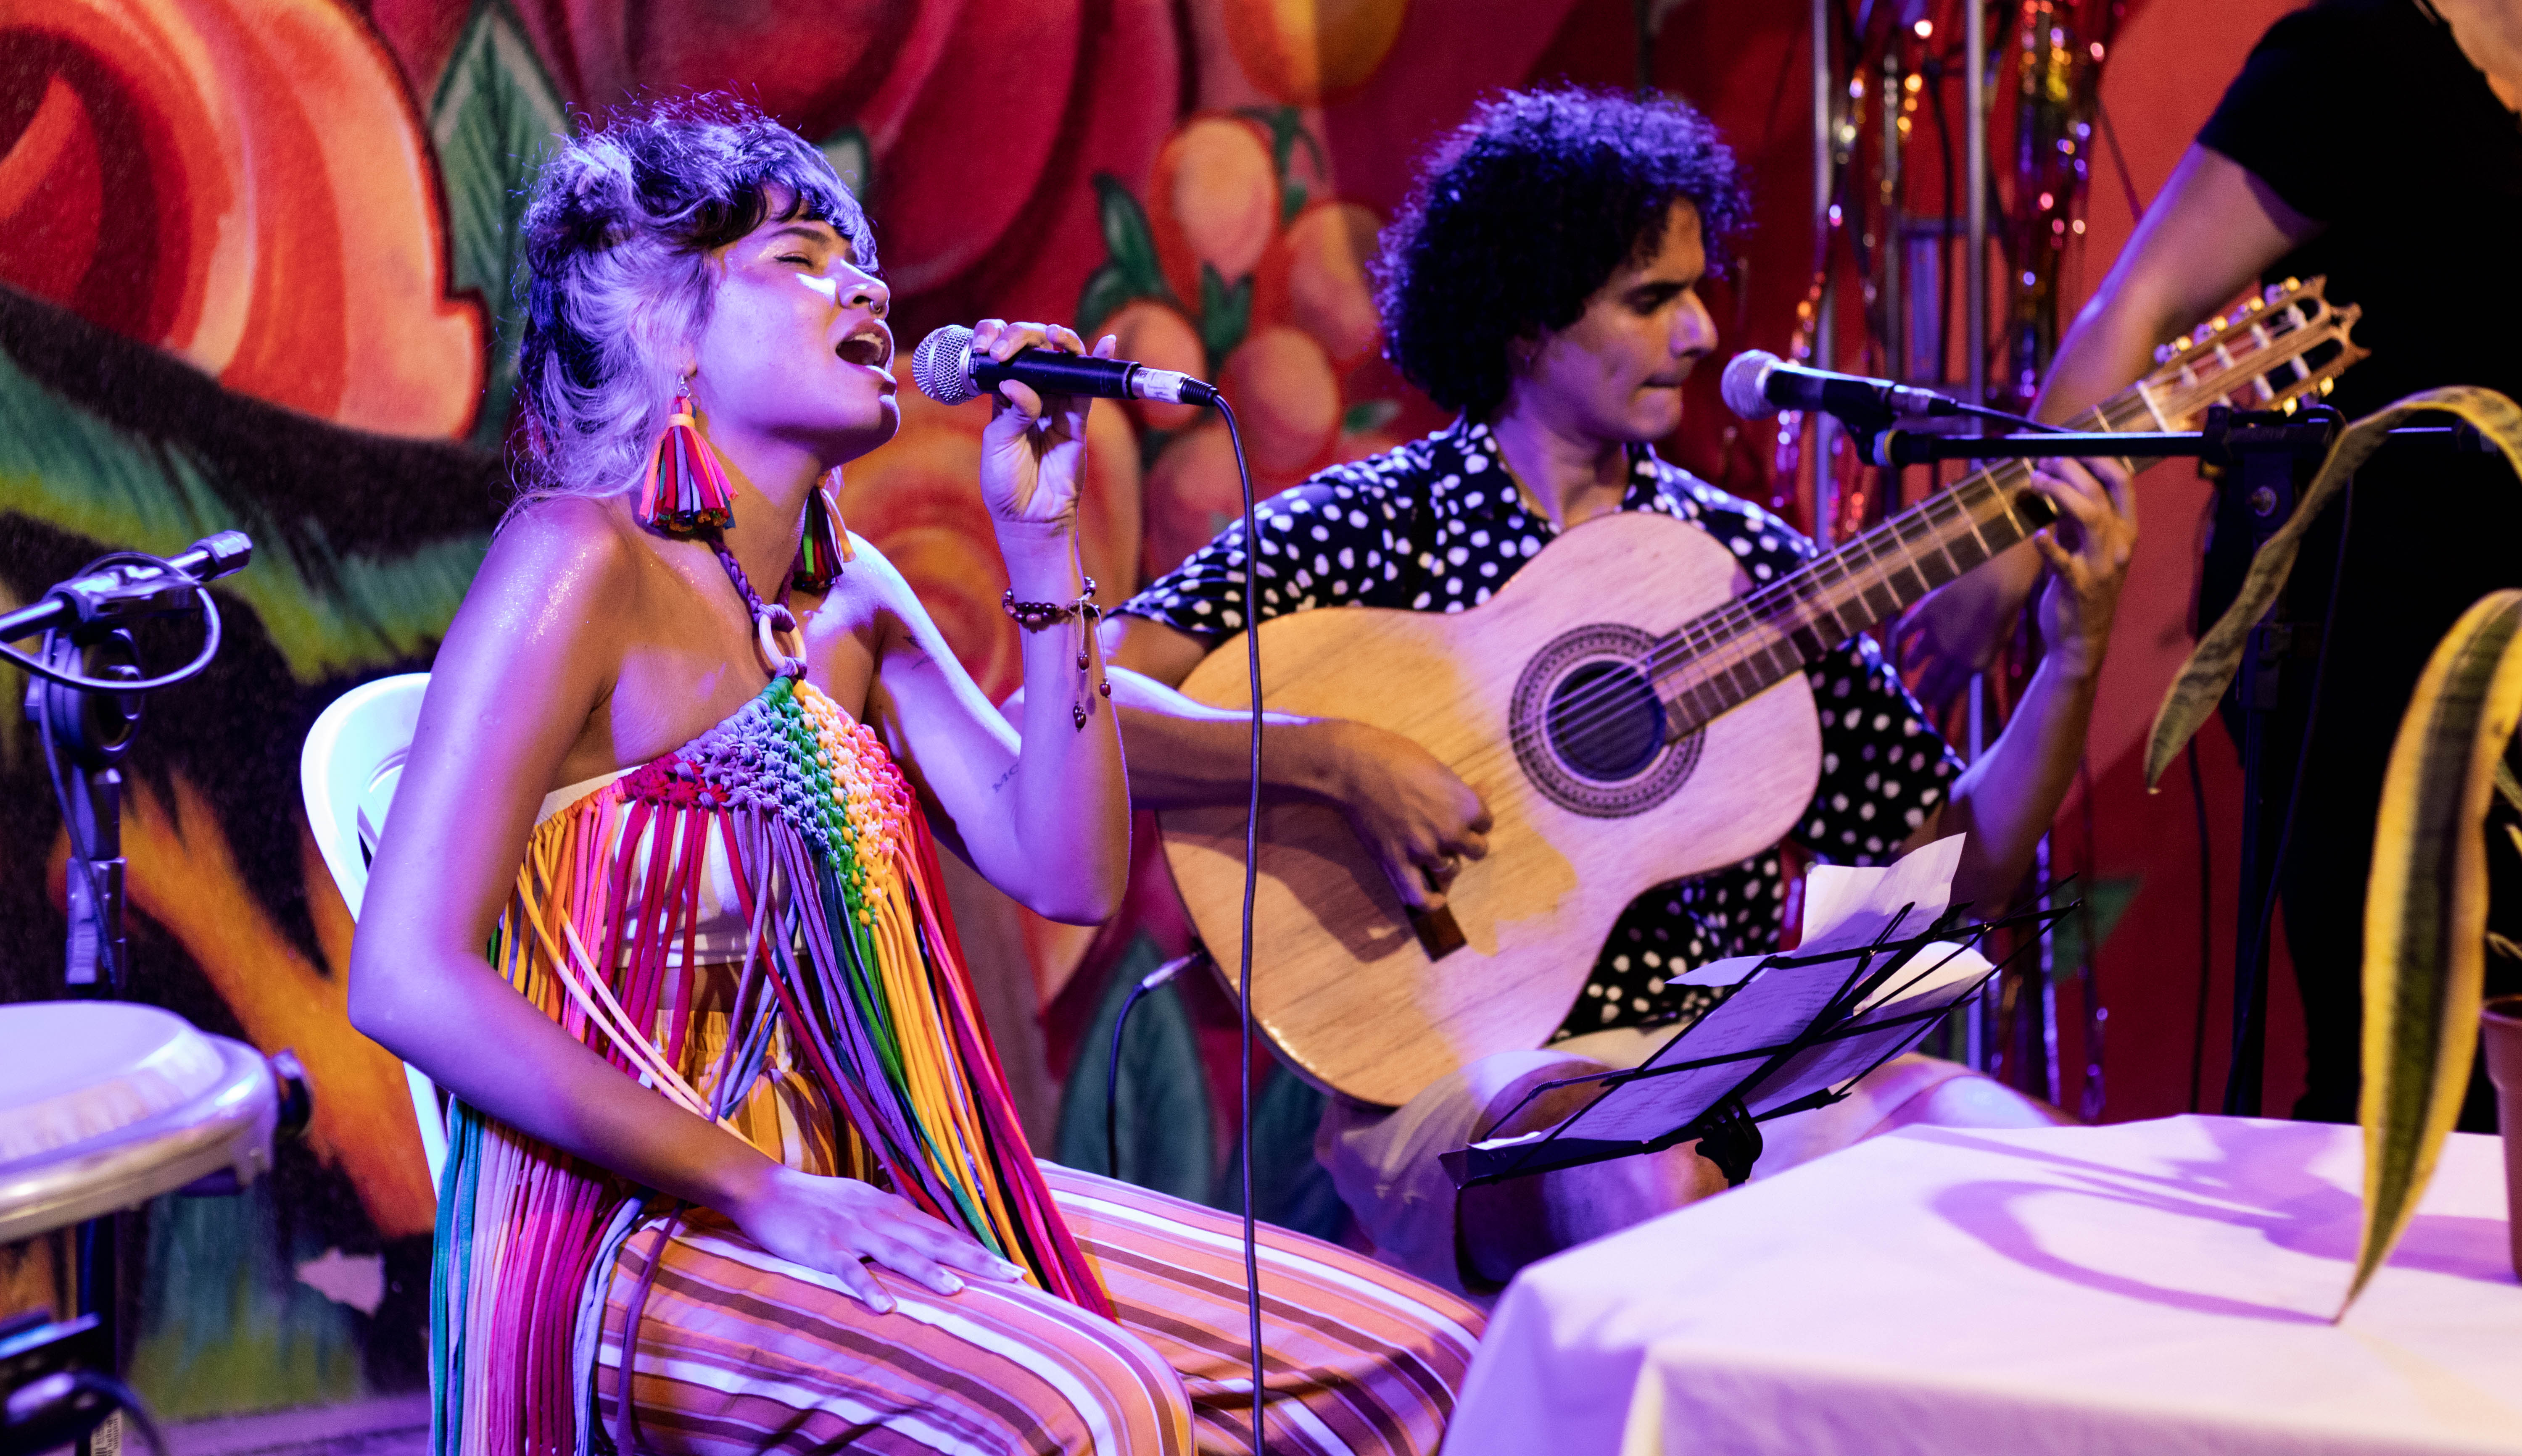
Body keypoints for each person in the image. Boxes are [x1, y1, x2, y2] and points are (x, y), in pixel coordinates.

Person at [345, 97, 1480, 1456]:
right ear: (665, 325)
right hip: (633, 1230)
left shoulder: (855, 603)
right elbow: (404, 976)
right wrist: (759, 1189)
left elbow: (1070, 871)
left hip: (878, 1184)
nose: (869, 288)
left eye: (863, 260)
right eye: (801, 258)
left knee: (1427, 1363)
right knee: (1092, 1408)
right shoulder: (580, 560)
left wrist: (1043, 546)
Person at [1102, 86, 2140, 1298]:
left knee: (2040, 1170)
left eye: (1698, 291)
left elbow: (1949, 881)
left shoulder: (1741, 566)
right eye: (1651, 301)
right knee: (1646, 1171)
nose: (1701, 333)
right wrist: (1337, 759)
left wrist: (2073, 660)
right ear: (1526, 323)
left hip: (1728, 1061)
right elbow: (1086, 714)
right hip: (1465, 1069)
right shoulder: (1378, 525)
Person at [1894, 0, 2522, 1126]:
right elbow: (2139, 307)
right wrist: (2010, 545)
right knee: (2407, 1048)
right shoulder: (2359, 62)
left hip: (2511, 623)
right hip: (2371, 620)